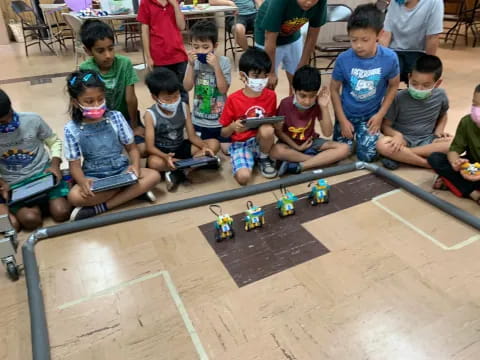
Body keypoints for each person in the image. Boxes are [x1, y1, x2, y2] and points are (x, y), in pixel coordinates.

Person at [64, 70, 160, 221]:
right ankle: (131, 192)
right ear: (75, 102)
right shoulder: (72, 128)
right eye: (89, 101)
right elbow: (74, 166)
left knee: (154, 176)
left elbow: (132, 149)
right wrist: (83, 182)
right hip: (95, 177)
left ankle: (101, 207)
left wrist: (135, 165)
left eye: (100, 99)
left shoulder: (115, 117)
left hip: (122, 170)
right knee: (74, 197)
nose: (96, 104)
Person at [330, 3, 400, 162]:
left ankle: (363, 141)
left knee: (366, 157)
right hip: (346, 114)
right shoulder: (344, 59)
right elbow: (334, 90)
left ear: (379, 34)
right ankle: (355, 140)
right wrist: (342, 119)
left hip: (370, 116)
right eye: (353, 40)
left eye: (365, 39)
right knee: (340, 154)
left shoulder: (389, 58)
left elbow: (394, 85)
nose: (358, 45)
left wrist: (380, 116)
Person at [0, 89, 71, 231]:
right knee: (30, 220)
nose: (9, 122)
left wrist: (55, 165)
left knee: (61, 212)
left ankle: (59, 192)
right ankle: (39, 207)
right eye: (2, 122)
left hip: (43, 174)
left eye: (10, 115)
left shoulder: (32, 119)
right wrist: (2, 184)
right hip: (16, 184)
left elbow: (54, 141)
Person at [144, 68, 220, 192]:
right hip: (162, 152)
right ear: (154, 97)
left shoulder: (183, 107)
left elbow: (192, 136)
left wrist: (204, 146)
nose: (173, 101)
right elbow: (150, 147)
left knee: (213, 144)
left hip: (180, 147)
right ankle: (194, 164)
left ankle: (181, 170)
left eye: (176, 96)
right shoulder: (150, 115)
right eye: (167, 99)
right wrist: (165, 156)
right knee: (153, 162)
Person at [79, 20, 146, 156]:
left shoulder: (124, 63)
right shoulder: (86, 69)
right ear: (88, 51)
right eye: (100, 51)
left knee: (143, 149)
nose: (108, 55)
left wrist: (134, 126)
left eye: (111, 48)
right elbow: (88, 103)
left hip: (128, 118)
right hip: (101, 121)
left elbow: (130, 99)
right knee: (107, 153)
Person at [270, 65, 350, 175]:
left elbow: (327, 133)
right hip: (290, 144)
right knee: (275, 150)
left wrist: (324, 107)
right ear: (294, 90)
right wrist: (296, 147)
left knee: (344, 148)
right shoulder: (285, 104)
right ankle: (318, 160)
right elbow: (279, 132)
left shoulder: (318, 103)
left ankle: (299, 166)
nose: (307, 101)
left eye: (312, 96)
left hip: (311, 142)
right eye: (302, 96)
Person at [376, 55, 451, 169]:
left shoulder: (441, 95)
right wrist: (397, 135)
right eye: (414, 83)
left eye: (426, 85)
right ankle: (427, 164)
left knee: (455, 143)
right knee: (382, 144)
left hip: (428, 140)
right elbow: (385, 126)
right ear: (409, 77)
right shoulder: (398, 97)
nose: (419, 89)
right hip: (403, 141)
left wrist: (439, 130)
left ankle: (404, 156)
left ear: (437, 83)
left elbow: (443, 115)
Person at [220, 47, 277, 185]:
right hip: (241, 144)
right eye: (256, 76)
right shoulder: (233, 99)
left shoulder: (271, 96)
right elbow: (223, 132)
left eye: (264, 76)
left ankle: (263, 158)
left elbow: (272, 122)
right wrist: (234, 126)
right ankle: (249, 160)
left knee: (267, 129)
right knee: (243, 178)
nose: (261, 80)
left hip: (261, 141)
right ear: (243, 76)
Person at [254, 0, 327, 90]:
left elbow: (313, 35)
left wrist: (302, 66)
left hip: (292, 34)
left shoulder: (321, 1)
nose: (309, 3)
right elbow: (270, 38)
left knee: (298, 82)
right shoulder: (279, 2)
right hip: (266, 37)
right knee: (268, 84)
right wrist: (271, 72)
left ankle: (291, 103)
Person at [183, 20, 231, 153]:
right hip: (199, 120)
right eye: (196, 47)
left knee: (226, 150)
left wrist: (216, 67)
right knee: (201, 147)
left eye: (205, 47)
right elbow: (187, 87)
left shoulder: (224, 62)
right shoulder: (194, 62)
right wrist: (191, 65)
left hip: (220, 120)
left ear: (215, 45)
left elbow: (223, 89)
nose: (200, 51)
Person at [428, 84, 480, 204]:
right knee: (436, 158)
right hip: (472, 166)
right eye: (475, 104)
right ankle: (474, 193)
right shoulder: (467, 122)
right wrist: (456, 162)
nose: (477, 111)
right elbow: (454, 150)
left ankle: (456, 185)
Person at [380, 0, 444, 83]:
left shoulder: (434, 2)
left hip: (418, 52)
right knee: (384, 74)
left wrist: (429, 67)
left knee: (420, 79)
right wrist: (379, 60)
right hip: (394, 51)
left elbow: (433, 37)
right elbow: (386, 35)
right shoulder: (394, 2)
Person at [137, 0, 188, 102]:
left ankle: (185, 116)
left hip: (178, 55)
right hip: (159, 56)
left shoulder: (174, 2)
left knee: (182, 90)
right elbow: (145, 30)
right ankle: (165, 117)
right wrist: (148, 57)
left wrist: (175, 5)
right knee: (163, 93)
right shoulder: (146, 2)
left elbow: (181, 26)